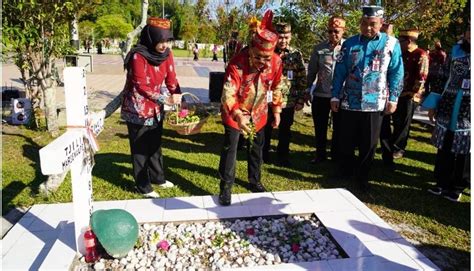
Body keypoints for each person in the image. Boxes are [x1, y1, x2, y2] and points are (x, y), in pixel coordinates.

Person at [331, 5, 404, 192]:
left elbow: (396, 73)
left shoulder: (391, 44)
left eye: (372, 24)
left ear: (381, 24)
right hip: (350, 101)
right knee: (346, 140)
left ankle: (363, 176)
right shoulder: (349, 44)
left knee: (368, 143)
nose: (368, 28)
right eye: (364, 23)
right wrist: (335, 96)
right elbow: (339, 72)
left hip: (375, 103)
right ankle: (344, 171)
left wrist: (393, 98)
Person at [218, 10, 285, 206]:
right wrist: (238, 115)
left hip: (259, 112)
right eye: (258, 57)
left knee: (257, 147)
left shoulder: (276, 62)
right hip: (235, 111)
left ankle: (255, 181)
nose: (263, 62)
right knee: (231, 148)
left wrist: (276, 110)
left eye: (267, 57)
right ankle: (226, 187)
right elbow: (228, 94)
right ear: (251, 50)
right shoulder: (237, 64)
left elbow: (277, 85)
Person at [121, 17, 182, 198]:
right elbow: (141, 86)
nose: (164, 45)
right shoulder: (138, 56)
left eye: (166, 40)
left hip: (156, 107)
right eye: (160, 41)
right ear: (150, 38)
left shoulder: (167, 54)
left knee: (155, 144)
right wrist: (165, 98)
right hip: (137, 108)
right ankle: (143, 185)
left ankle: (158, 178)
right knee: (140, 147)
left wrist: (177, 93)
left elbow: (171, 79)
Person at [427, 28, 470, 202]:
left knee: (464, 148)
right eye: (468, 30)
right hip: (449, 102)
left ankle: (458, 186)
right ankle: (441, 182)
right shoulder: (456, 51)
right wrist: (433, 104)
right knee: (444, 145)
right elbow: (442, 77)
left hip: (468, 109)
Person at [262, 22, 306, 166]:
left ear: (290, 36)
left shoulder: (295, 54)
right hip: (268, 98)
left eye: (286, 37)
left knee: (285, 130)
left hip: (288, 99)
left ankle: (282, 156)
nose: (283, 41)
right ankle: (263, 155)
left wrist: (300, 99)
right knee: (266, 127)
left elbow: (301, 77)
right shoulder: (267, 52)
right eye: (280, 37)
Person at [382, 29, 429, 162]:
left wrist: (412, 92)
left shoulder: (421, 54)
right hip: (398, 93)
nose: (398, 43)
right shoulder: (401, 54)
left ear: (409, 41)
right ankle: (392, 144)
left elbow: (422, 77)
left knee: (404, 123)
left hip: (411, 95)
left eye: (400, 41)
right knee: (396, 120)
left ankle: (398, 148)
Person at [306, 16, 346, 164]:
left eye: (336, 31)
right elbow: (311, 72)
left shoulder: (348, 48)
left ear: (343, 31)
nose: (332, 34)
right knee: (320, 127)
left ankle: (336, 156)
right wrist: (308, 89)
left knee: (339, 129)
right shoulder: (319, 49)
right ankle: (320, 155)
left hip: (341, 95)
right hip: (321, 94)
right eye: (329, 31)